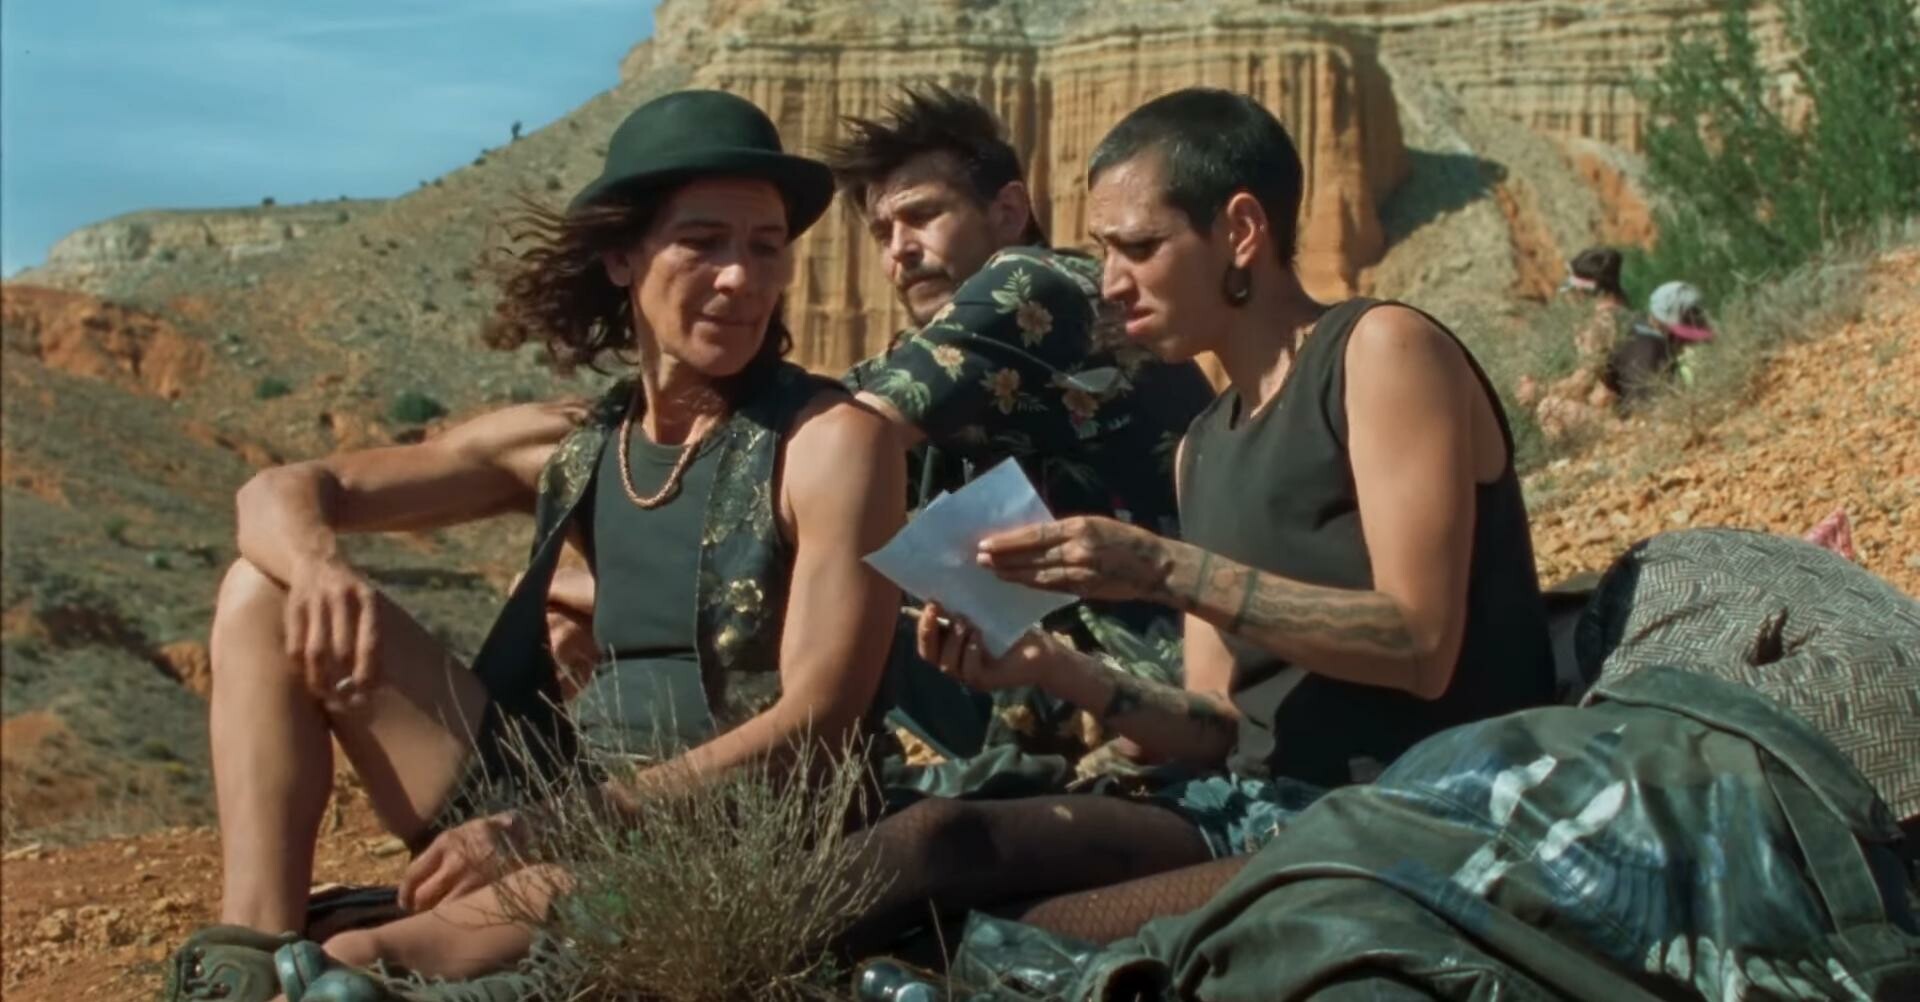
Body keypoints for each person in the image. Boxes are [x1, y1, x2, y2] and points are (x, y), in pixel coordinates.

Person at [164, 90, 907, 1002]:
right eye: (703, 242)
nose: (739, 278)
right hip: (549, 797)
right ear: (621, 257)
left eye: (765, 247)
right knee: (261, 588)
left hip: (721, 829)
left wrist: (556, 826)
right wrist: (319, 566)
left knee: (358, 962)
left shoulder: (831, 443)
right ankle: (251, 944)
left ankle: (335, 966)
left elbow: (818, 722)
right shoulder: (576, 442)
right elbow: (277, 492)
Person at [838, 87, 1557, 955]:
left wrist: (1164, 568)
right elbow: (1216, 727)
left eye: (1140, 247)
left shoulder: (1379, 350)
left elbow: (1419, 643)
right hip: (1254, 808)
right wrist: (1049, 666)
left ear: (1241, 230)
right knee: (935, 841)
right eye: (1107, 250)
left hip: (1412, 812)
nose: (1111, 281)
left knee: (1029, 941)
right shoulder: (1202, 447)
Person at [826, 86, 1217, 763]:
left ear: (1007, 212)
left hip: (1156, 695)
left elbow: (837, 436)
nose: (899, 251)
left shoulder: (1036, 285)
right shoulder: (945, 356)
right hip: (1054, 696)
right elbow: (826, 412)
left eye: (922, 216)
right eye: (883, 234)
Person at [1602, 279, 1714, 406]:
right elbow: (1642, 411)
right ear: (1660, 324)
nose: (1689, 343)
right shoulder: (1647, 353)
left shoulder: (1640, 325)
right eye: (1683, 338)